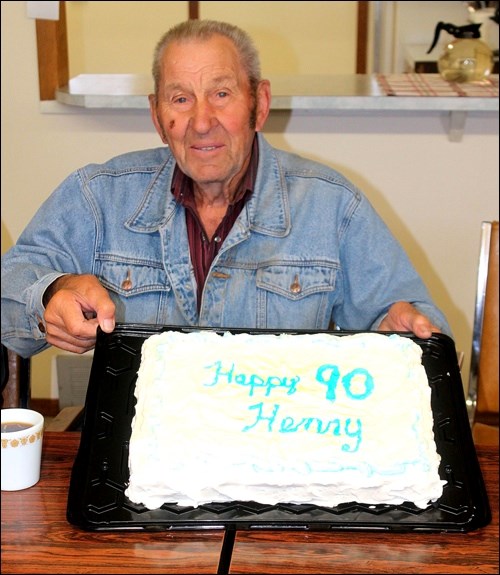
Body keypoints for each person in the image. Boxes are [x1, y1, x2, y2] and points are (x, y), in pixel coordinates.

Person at [1, 19, 452, 358]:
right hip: (137, 450)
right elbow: (10, 287)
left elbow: (419, 330)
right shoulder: (99, 197)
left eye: (221, 94)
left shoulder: (333, 207)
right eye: (180, 99)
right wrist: (50, 293)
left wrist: (402, 332)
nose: (201, 122)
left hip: (279, 452)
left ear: (260, 105)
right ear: (158, 118)